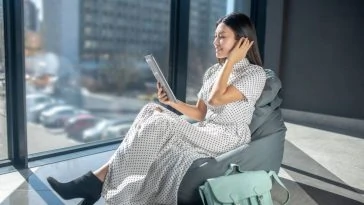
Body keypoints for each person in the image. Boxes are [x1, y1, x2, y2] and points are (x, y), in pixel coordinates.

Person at [46, 12, 266, 205]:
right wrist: (172, 103)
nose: (215, 42)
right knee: (152, 109)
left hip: (228, 137)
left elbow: (217, 99)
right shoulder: (212, 72)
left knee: (161, 122)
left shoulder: (255, 75)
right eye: (215, 36)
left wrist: (232, 61)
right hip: (206, 130)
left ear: (242, 41)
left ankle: (97, 185)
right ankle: (95, 182)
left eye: (222, 36)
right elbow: (201, 113)